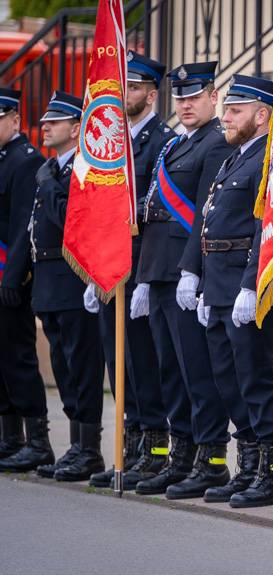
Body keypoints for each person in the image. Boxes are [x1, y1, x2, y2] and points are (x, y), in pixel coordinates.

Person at [131, 62, 234, 497]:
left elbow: (203, 218)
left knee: (197, 373)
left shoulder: (214, 144)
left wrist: (192, 271)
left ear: (213, 97)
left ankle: (210, 461)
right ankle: (182, 454)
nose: (186, 104)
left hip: (184, 275)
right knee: (170, 371)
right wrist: (142, 276)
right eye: (181, 97)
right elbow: (153, 212)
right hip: (157, 270)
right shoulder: (176, 145)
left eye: (194, 96)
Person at [195, 74, 273, 508]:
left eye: (234, 111)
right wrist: (197, 279)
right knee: (227, 379)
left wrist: (251, 284)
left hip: (243, 282)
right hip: (218, 283)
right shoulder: (236, 158)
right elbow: (210, 220)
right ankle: (248, 463)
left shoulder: (270, 161)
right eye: (227, 110)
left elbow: (262, 228)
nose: (226, 118)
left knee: (255, 376)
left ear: (263, 114)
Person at [87, 51, 174, 489]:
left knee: (143, 360)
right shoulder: (111, 142)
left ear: (152, 94)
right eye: (123, 86)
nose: (126, 95)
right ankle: (131, 445)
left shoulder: (163, 142)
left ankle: (155, 450)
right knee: (116, 358)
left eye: (135, 88)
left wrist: (142, 276)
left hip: (142, 266)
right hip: (109, 265)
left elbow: (158, 215)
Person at [28, 92, 106, 482]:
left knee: (82, 365)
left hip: (74, 282)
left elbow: (73, 222)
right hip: (48, 283)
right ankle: (75, 445)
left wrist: (48, 186)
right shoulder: (52, 168)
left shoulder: (81, 169)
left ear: (77, 128)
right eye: (45, 120)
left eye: (56, 121)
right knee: (62, 367)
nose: (46, 126)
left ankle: (89, 450)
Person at [0, 87, 52, 472]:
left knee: (17, 357)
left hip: (9, 276)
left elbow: (22, 225)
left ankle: (37, 441)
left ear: (16, 119)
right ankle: (9, 437)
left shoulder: (24, 160)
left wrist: (12, 276)